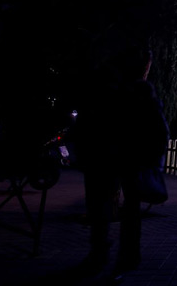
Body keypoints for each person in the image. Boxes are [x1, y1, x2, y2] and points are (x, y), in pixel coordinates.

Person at [72, 46, 169, 277]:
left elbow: (86, 121)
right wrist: (152, 159)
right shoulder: (141, 91)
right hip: (129, 159)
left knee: (99, 206)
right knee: (130, 211)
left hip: (103, 156)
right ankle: (126, 256)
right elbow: (159, 130)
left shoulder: (103, 86)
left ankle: (100, 251)